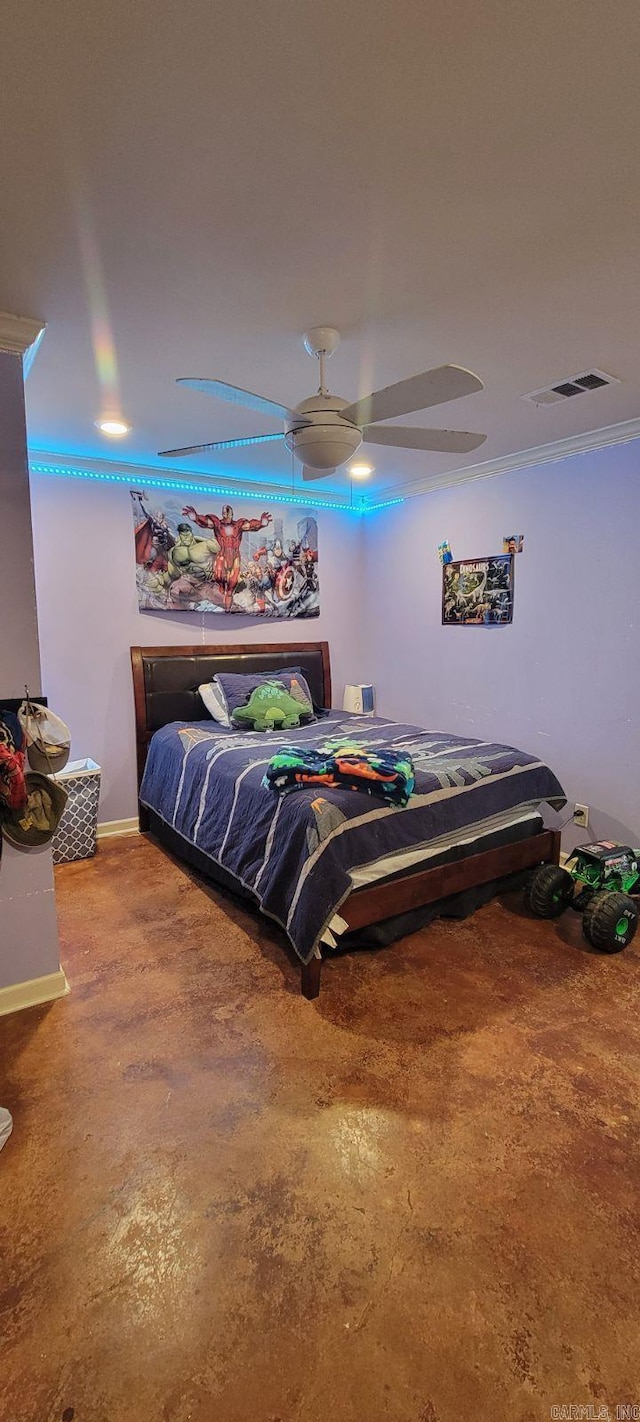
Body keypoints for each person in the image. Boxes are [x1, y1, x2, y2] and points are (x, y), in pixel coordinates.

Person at [182, 504, 272, 611]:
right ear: (222, 513)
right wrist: (195, 517)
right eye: (224, 512)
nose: (226, 514)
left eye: (228, 512)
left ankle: (227, 610)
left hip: (235, 556)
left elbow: (250, 525)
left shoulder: (238, 526)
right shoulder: (218, 524)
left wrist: (261, 523)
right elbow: (206, 522)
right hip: (222, 555)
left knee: (231, 587)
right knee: (220, 579)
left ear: (232, 513)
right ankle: (221, 593)